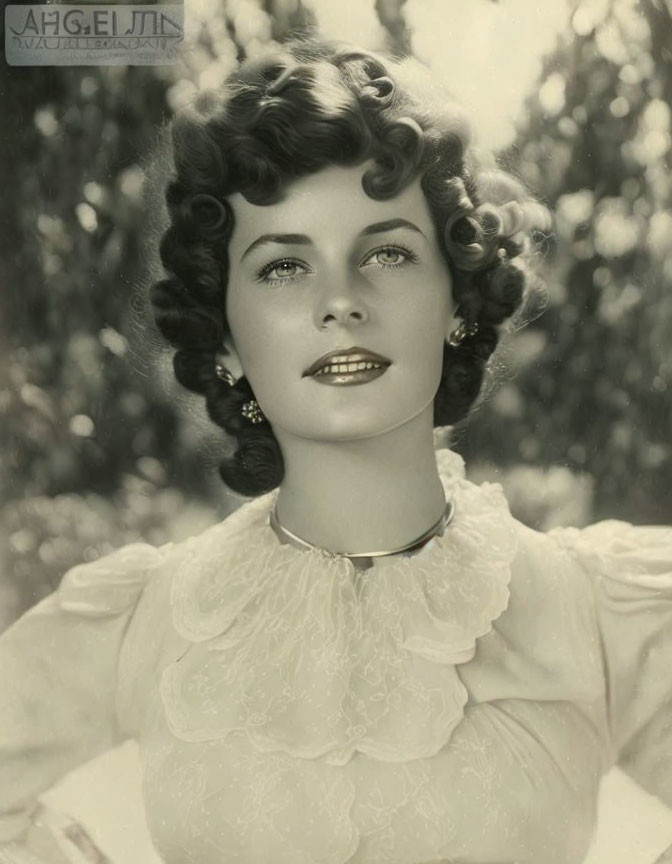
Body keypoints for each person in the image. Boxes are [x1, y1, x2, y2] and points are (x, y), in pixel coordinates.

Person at [1, 35, 671, 864]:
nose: (340, 302)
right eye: (283, 268)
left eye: (386, 253)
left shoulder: (594, 616)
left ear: (456, 302)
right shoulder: (151, 620)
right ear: (228, 340)